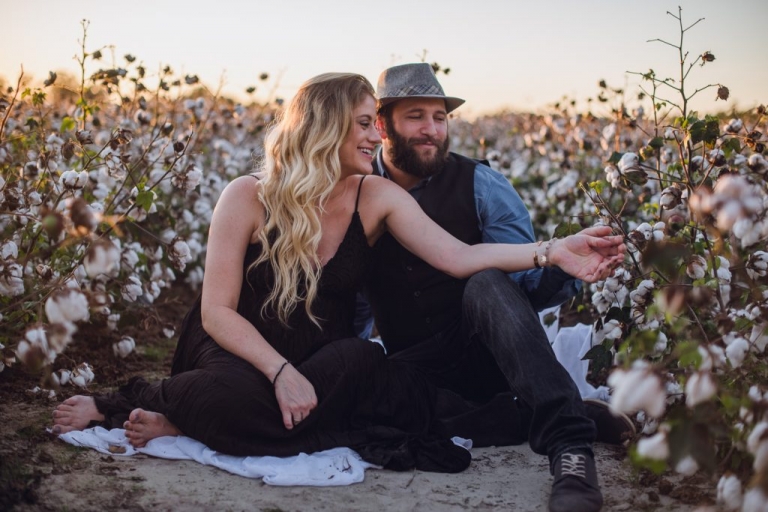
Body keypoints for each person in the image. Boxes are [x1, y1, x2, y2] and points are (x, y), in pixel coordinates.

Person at [51, 72, 624, 479]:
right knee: (225, 396)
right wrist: (279, 373)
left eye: (377, 124)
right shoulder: (245, 197)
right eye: (363, 124)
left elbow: (459, 257)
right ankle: (140, 406)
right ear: (324, 126)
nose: (377, 137)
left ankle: (191, 427)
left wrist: (555, 250)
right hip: (238, 351)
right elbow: (216, 312)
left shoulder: (373, 196)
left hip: (322, 355)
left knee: (371, 371)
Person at [359, 62, 627, 512]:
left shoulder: (481, 185)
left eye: (440, 117)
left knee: (485, 281)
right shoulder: (358, 190)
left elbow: (525, 291)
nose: (432, 130)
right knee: (374, 415)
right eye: (416, 117)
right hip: (416, 370)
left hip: (488, 355)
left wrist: (564, 267)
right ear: (383, 123)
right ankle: (534, 414)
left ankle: (570, 448)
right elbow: (353, 302)